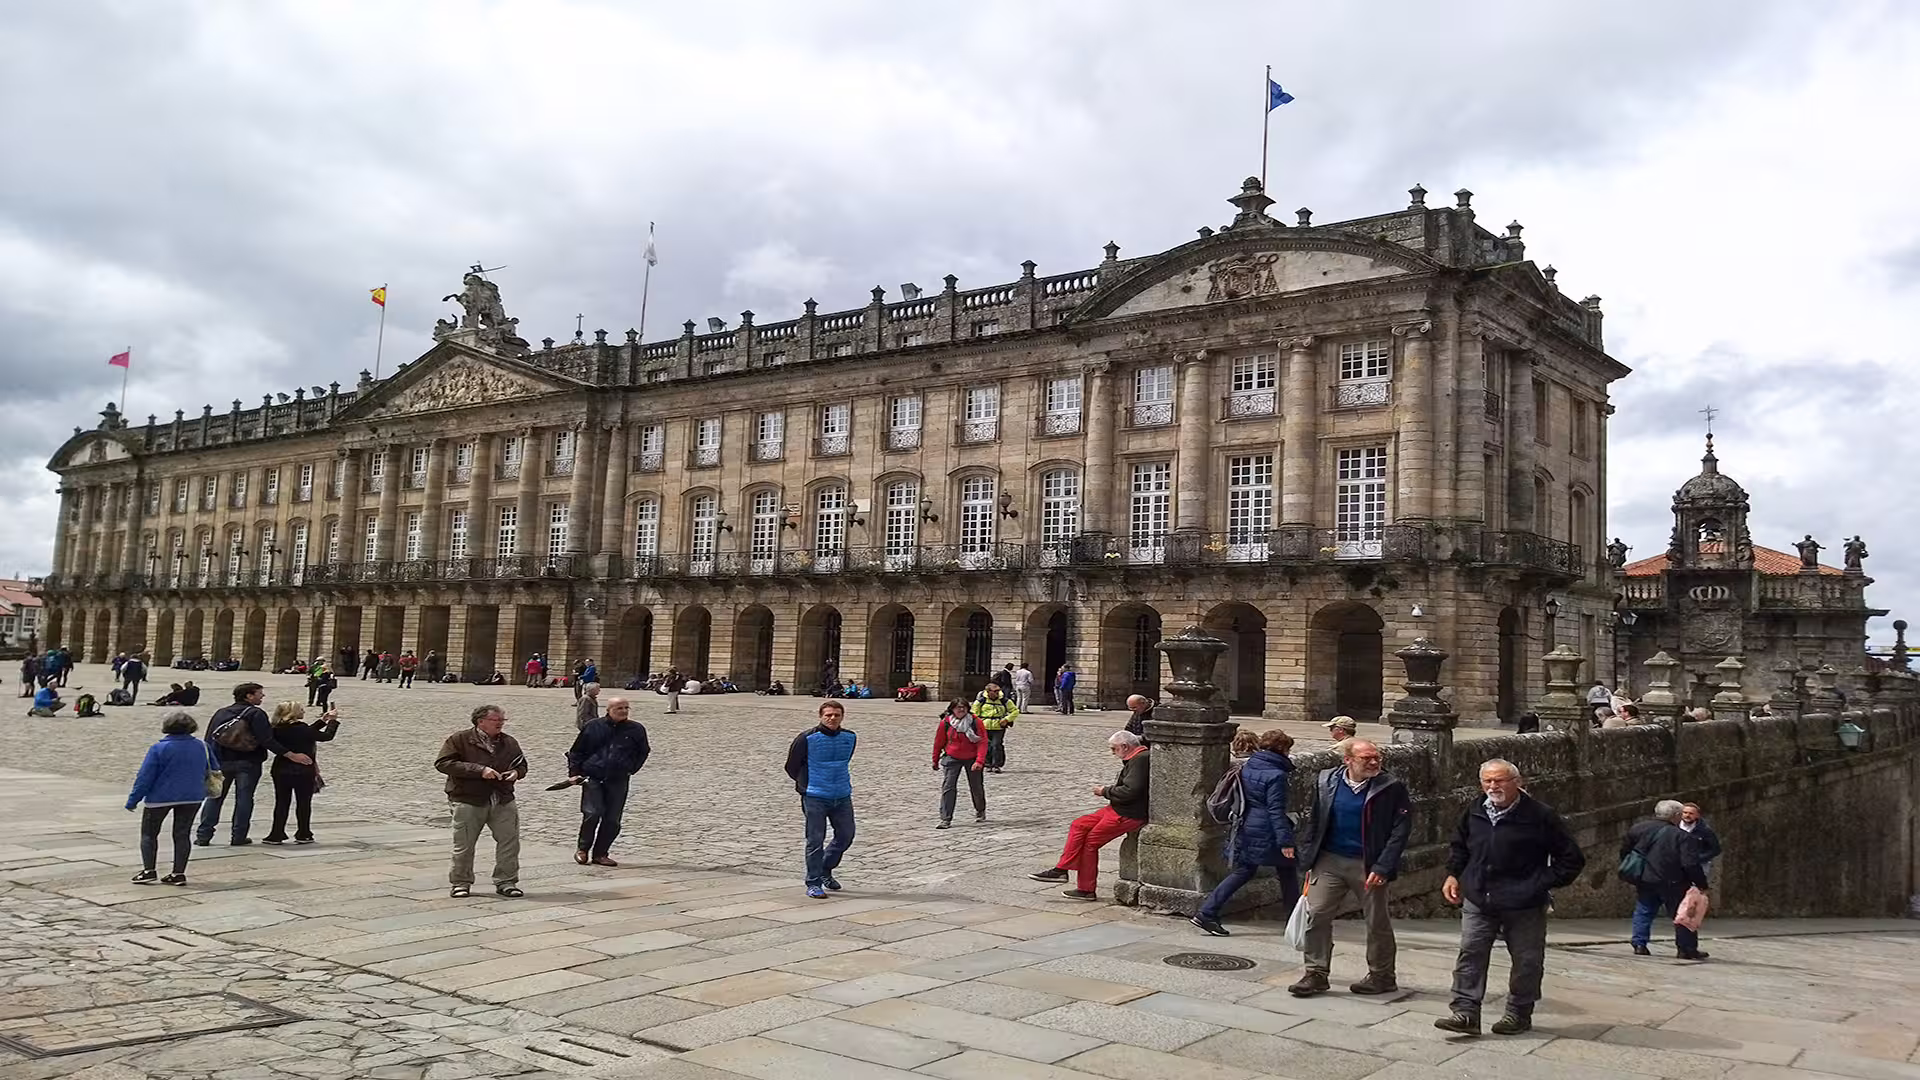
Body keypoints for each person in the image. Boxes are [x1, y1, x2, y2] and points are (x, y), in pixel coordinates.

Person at [1434, 758, 1587, 1036]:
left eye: (1500, 780)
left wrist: (1538, 884)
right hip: (1479, 896)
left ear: (1517, 782)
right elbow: (1460, 846)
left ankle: (1518, 1012)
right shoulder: (1474, 809)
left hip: (1523, 903)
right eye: (1487, 781)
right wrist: (1454, 874)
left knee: (1527, 960)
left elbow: (1571, 859)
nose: (1493, 786)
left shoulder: (1540, 815)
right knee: (1471, 953)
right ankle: (1465, 1012)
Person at [1289, 738, 1413, 997]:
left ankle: (1382, 976)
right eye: (1366, 758)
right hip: (1329, 859)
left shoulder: (1391, 787)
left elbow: (1400, 830)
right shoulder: (1326, 781)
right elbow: (1315, 818)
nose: (1374, 762)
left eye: (1376, 757)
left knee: (1377, 920)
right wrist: (1307, 856)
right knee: (1317, 913)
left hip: (1368, 863)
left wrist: (1383, 866)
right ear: (1348, 760)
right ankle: (1316, 973)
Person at [1193, 728, 1297, 936]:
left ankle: (1207, 912)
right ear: (1282, 749)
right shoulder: (1276, 775)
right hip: (1266, 830)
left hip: (1247, 824)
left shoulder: (1250, 765)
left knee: (1245, 870)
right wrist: (1285, 841)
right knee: (1287, 870)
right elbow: (1275, 810)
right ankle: (1296, 919)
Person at [1029, 730, 1150, 899]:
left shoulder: (1141, 760)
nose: (1112, 753)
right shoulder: (1136, 758)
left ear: (1125, 746)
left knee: (1090, 844)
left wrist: (1104, 791)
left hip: (1128, 813)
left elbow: (1131, 791)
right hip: (1116, 808)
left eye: (1114, 749)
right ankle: (1061, 870)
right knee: (1079, 824)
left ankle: (1086, 889)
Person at [197, 682, 312, 847]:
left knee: (215, 797)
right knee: (244, 799)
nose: (262, 696)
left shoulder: (221, 713)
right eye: (259, 693)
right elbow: (267, 740)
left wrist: (211, 762)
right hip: (248, 762)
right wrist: (290, 755)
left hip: (222, 762)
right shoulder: (256, 714)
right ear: (248, 696)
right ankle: (238, 836)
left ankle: (203, 836)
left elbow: (210, 739)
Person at [435, 704, 528, 899]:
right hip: (468, 799)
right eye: (496, 720)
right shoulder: (459, 739)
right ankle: (461, 882)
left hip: (502, 798)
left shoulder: (509, 742)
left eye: (503, 720)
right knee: (464, 845)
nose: (501, 723)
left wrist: (516, 773)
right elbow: (443, 763)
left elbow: (522, 765)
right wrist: (479, 770)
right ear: (481, 722)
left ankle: (506, 881)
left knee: (509, 842)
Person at [126, 711, 214, 886]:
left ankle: (149, 870)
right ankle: (178, 873)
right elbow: (213, 768)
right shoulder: (202, 746)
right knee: (182, 834)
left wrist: (133, 799)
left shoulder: (159, 748)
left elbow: (145, 777)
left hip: (160, 797)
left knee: (149, 834)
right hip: (192, 797)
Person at [566, 696, 651, 867]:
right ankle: (583, 849)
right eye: (619, 708)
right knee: (592, 813)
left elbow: (643, 751)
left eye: (626, 708)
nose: (624, 711)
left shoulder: (636, 729)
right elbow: (577, 751)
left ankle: (601, 853)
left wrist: (631, 768)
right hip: (593, 776)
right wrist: (574, 772)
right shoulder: (593, 726)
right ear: (609, 710)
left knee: (612, 819)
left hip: (618, 778)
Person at [785, 700, 856, 899]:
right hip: (815, 795)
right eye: (828, 715)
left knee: (846, 836)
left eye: (836, 715)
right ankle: (814, 882)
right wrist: (806, 785)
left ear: (842, 716)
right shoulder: (807, 738)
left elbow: (845, 760)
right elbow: (792, 766)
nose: (832, 718)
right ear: (821, 716)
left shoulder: (849, 737)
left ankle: (826, 868)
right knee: (815, 840)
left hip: (841, 794)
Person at [1623, 800, 1711, 960]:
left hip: (1646, 878)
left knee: (1644, 910)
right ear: (1676, 815)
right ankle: (1686, 948)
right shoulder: (1682, 836)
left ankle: (1639, 944)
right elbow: (1690, 864)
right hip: (1674, 881)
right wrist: (1701, 884)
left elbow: (1626, 851)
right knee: (1682, 914)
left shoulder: (1637, 828)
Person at [262, 701, 339, 846]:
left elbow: (308, 732)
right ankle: (303, 833)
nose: (303, 711)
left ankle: (276, 833)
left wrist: (323, 720)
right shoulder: (302, 728)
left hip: (281, 769)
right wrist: (332, 722)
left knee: (281, 802)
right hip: (303, 770)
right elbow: (325, 736)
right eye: (301, 709)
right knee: (303, 802)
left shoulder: (276, 728)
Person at [932, 696, 988, 828]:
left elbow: (982, 742)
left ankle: (980, 810)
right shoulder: (945, 723)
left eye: (964, 707)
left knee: (976, 786)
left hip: (972, 758)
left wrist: (979, 761)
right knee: (948, 787)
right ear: (952, 710)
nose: (961, 710)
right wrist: (935, 759)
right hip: (952, 757)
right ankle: (946, 818)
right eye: (958, 707)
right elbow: (939, 742)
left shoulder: (976, 722)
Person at [972, 681, 1018, 773]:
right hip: (984, 726)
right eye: (994, 691)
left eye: (998, 691)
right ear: (988, 691)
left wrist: (1007, 719)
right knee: (987, 746)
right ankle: (987, 763)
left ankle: (997, 764)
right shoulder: (980, 701)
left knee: (996, 745)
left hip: (999, 726)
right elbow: (974, 714)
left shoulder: (1004, 700)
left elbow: (1015, 711)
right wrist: (978, 724)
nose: (997, 693)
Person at [1680, 803, 1723, 879]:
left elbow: (1715, 849)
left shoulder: (1705, 830)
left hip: (1699, 865)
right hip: (1678, 864)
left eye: (1691, 813)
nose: (1687, 815)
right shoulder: (1673, 827)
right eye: (1685, 812)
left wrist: (1699, 858)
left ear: (1697, 815)